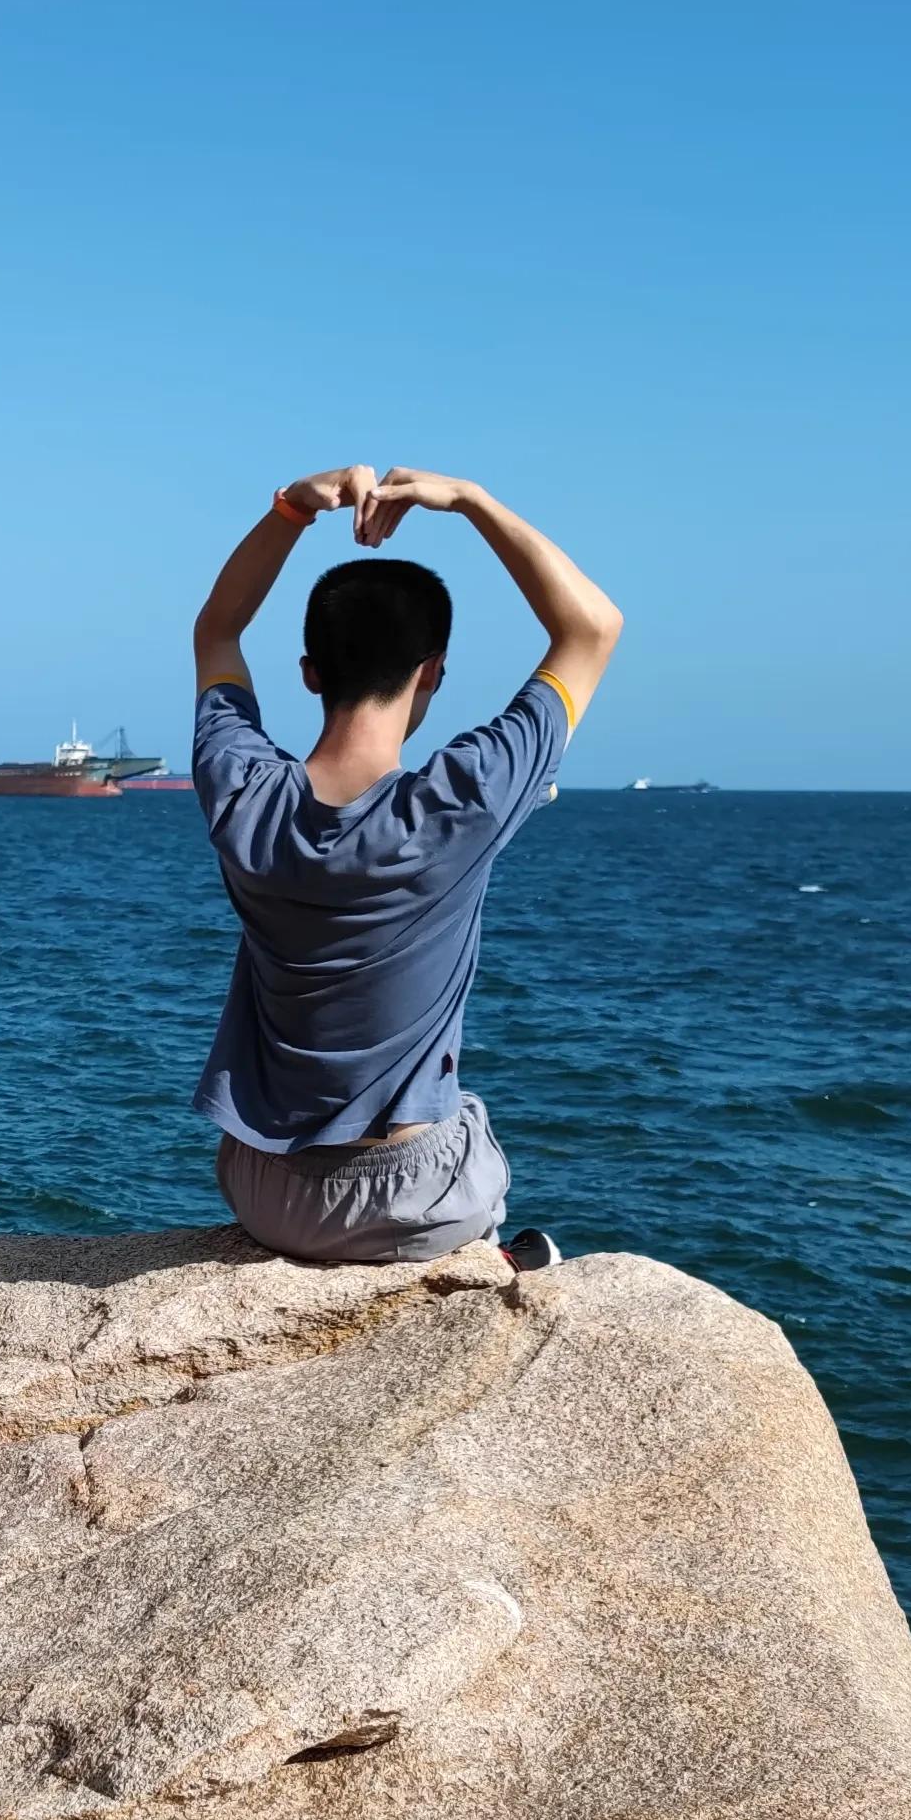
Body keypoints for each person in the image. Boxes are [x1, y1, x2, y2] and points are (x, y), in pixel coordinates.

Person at [187, 464, 621, 1268]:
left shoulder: (241, 788)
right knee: (466, 1118)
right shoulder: (465, 798)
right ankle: (491, 1264)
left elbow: (217, 630)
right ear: (433, 674)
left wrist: (292, 508)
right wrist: (470, 501)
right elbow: (591, 627)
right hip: (404, 1196)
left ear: (310, 672)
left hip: (262, 1187)